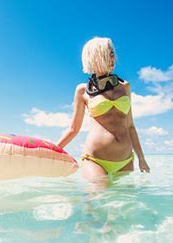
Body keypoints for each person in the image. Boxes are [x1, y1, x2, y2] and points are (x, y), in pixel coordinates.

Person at [56, 37, 150, 181]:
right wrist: (53, 150)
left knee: (126, 203)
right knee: (97, 199)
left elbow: (130, 126)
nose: (112, 58)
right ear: (95, 57)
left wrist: (141, 158)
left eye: (112, 54)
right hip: (96, 161)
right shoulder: (82, 90)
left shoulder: (124, 86)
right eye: (107, 54)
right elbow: (73, 128)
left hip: (125, 161)